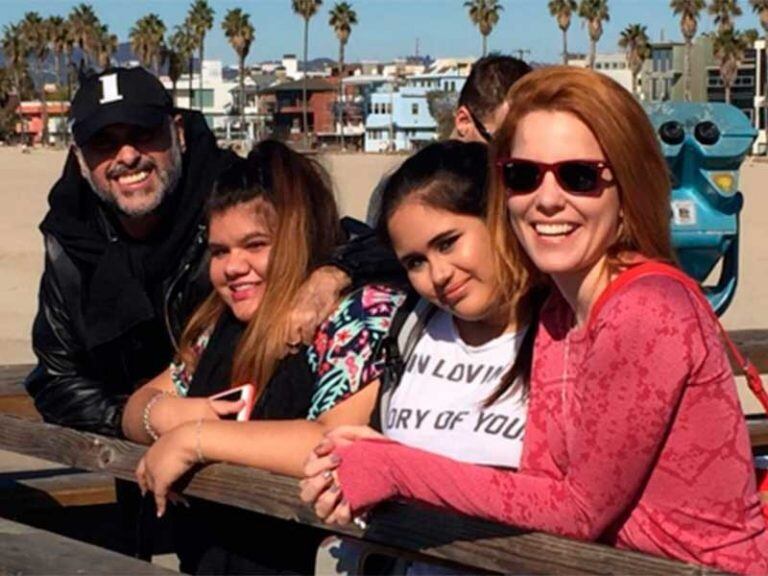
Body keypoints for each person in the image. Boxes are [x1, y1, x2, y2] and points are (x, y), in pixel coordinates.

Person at [300, 67, 768, 575]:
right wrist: (386, 450)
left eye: (579, 176)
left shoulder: (646, 310)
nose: (546, 200)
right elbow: (541, 480)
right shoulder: (558, 312)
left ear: (627, 185)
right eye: (524, 175)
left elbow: (579, 510)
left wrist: (397, 468)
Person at [136, 142, 533, 539]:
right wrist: (169, 415)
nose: (234, 266)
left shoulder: (360, 314)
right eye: (220, 251)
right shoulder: (222, 326)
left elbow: (328, 442)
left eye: (255, 245)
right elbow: (135, 407)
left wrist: (197, 438)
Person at [25, 66, 397, 439]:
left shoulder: (226, 192)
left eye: (144, 134)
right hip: (145, 448)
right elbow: (56, 379)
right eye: (103, 143)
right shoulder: (70, 236)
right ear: (79, 158)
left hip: (261, 422)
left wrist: (332, 273)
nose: (128, 155)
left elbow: (371, 241)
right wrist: (153, 417)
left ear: (179, 133)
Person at [365, 55, 531, 225]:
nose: (513, 159)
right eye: (502, 145)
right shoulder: (404, 192)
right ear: (463, 121)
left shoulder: (528, 183)